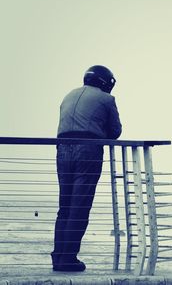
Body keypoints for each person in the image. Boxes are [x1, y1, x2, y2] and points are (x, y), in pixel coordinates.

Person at [51, 65, 122, 272]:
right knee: (79, 207)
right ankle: (69, 258)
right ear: (105, 82)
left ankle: (58, 257)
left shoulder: (68, 95)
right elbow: (115, 131)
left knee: (64, 207)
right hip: (87, 151)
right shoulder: (107, 99)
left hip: (62, 150)